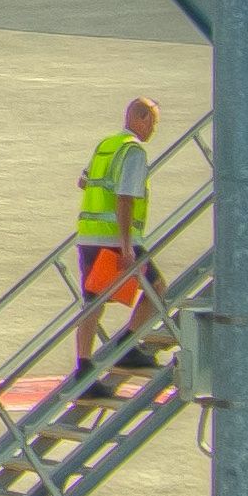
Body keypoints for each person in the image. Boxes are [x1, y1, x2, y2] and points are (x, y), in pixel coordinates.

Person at [67, 98, 163, 393]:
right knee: (156, 288)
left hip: (89, 235)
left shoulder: (107, 145)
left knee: (93, 302)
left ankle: (84, 368)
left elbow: (84, 182)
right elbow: (125, 198)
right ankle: (129, 345)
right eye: (154, 123)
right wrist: (126, 246)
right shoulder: (133, 152)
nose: (153, 131)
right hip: (115, 240)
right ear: (141, 119)